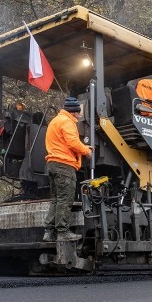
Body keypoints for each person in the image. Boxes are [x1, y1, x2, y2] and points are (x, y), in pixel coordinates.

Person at [42, 96, 92, 242]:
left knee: (56, 199)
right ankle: (63, 232)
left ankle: (49, 232)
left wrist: (83, 148)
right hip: (64, 165)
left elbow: (64, 143)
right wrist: (86, 151)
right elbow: (73, 143)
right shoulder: (67, 122)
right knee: (65, 199)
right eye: (78, 112)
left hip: (52, 164)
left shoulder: (55, 121)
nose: (79, 115)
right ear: (74, 111)